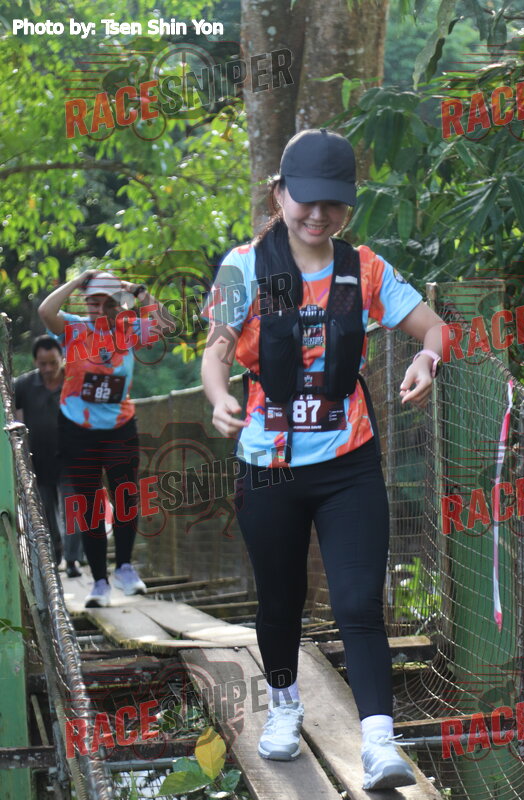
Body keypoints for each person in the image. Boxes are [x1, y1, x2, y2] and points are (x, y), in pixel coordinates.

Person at [201, 129, 446, 791]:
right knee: (280, 601)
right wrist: (220, 398)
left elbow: (431, 326)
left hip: (347, 461)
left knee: (359, 602)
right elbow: (216, 350)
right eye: (305, 199)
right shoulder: (244, 267)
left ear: (348, 204)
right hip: (269, 465)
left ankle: (379, 743)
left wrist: (427, 358)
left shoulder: (364, 269)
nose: (318, 214)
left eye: (333, 203)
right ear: (278, 194)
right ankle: (283, 705)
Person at [38, 270, 171, 608]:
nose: (97, 308)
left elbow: (165, 324)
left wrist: (137, 290)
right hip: (77, 429)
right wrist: (78, 280)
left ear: (117, 304)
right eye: (92, 302)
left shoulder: (129, 329)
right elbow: (45, 311)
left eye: (105, 302)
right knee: (89, 505)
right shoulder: (74, 328)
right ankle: (99, 581)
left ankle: (124, 567)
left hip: (119, 426)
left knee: (125, 496)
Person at [14, 335, 83, 576]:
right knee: (45, 513)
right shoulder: (24, 385)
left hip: (71, 457)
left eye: (53, 362)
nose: (48, 369)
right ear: (35, 362)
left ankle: (73, 560)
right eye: (43, 364)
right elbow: (11, 408)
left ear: (62, 358)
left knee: (73, 508)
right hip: (38, 460)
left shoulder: (75, 381)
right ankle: (55, 556)